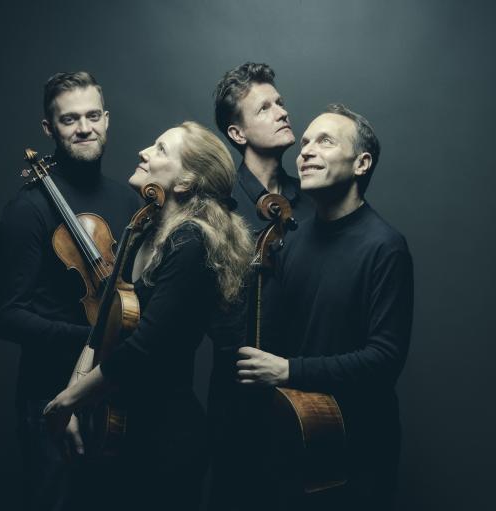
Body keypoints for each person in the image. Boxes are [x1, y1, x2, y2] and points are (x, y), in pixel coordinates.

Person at [42, 121, 253, 509]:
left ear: (186, 181)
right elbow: (100, 328)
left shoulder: (190, 243)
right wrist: (72, 401)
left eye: (160, 149)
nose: (144, 152)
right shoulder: (141, 231)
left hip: (165, 440)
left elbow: (145, 349)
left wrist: (70, 400)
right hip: (118, 427)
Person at [236, 104, 414, 509]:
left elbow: (385, 358)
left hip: (358, 450)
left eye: (325, 141)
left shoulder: (385, 246)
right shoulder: (289, 241)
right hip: (292, 438)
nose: (305, 152)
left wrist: (289, 370)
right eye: (304, 143)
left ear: (361, 163)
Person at [0, 71, 141, 510]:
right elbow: (8, 315)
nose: (83, 128)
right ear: (49, 128)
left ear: (107, 119)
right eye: (69, 119)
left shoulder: (128, 201)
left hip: (116, 388)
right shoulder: (28, 209)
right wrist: (95, 339)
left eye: (93, 115)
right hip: (50, 392)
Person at [208, 62, 313, 510]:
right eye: (265, 107)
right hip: (240, 398)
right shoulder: (218, 206)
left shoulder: (310, 198)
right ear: (237, 133)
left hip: (307, 386)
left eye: (281, 103)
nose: (282, 112)